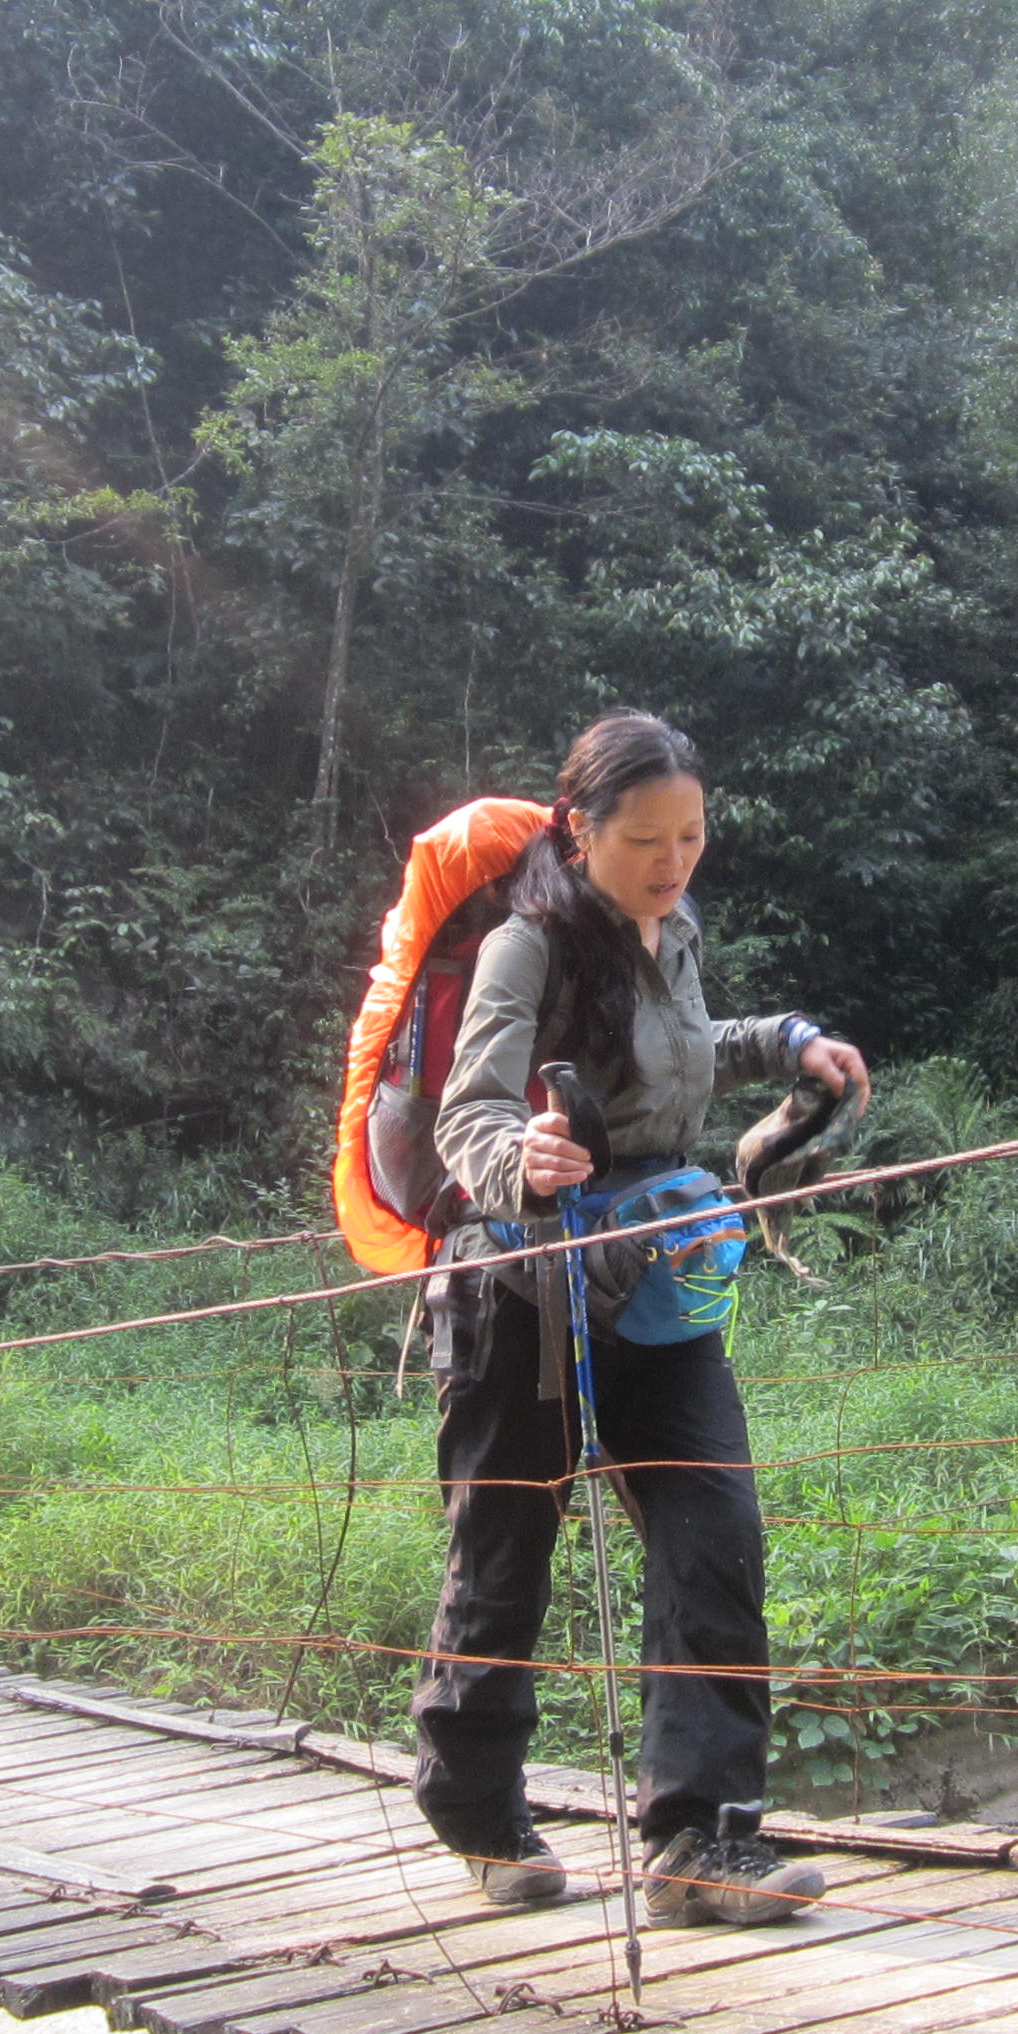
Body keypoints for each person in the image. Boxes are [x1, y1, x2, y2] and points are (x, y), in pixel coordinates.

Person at [416, 710, 872, 1920]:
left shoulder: (672, 930)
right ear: (581, 833)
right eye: (645, 842)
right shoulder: (527, 947)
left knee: (712, 1528)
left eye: (691, 837)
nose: (672, 863)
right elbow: (468, 1114)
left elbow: (672, 1055)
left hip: (657, 1280)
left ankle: (699, 1842)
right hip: (518, 1285)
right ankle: (476, 1808)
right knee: (505, 1551)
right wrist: (527, 1160)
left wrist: (786, 1042)